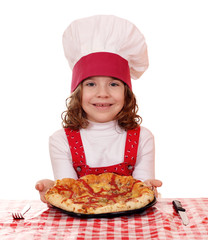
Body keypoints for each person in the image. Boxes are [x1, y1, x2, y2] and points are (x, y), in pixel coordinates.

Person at [35, 15, 162, 203]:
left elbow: (141, 195)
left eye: (113, 84)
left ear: (127, 93)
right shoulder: (61, 141)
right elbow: (70, 196)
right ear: (77, 92)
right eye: (91, 84)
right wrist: (53, 191)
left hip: (131, 228)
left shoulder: (143, 138)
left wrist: (149, 189)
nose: (102, 93)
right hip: (80, 228)